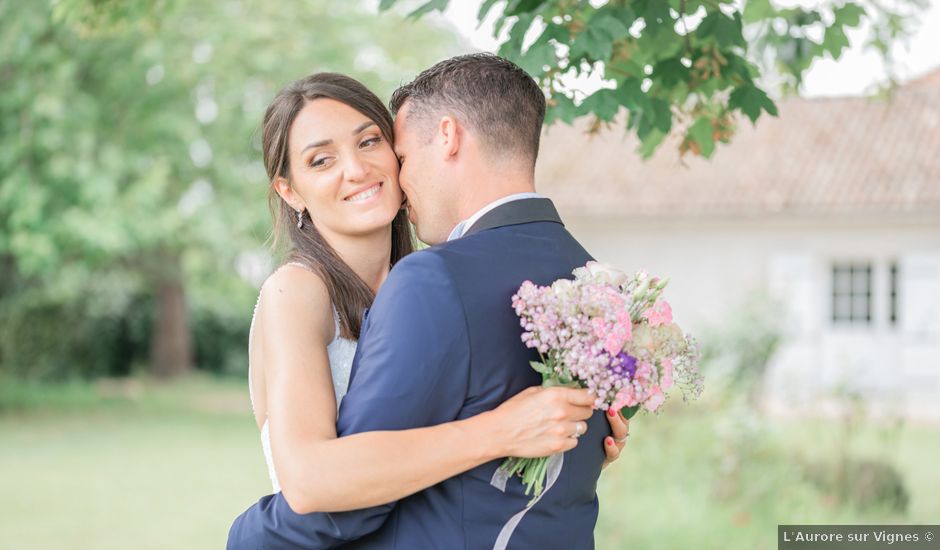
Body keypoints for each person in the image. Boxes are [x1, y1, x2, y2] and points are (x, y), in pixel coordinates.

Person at [229, 55, 628, 550]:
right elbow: (311, 482)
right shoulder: (297, 291)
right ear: (290, 192)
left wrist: (571, 443)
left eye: (370, 141)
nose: (356, 169)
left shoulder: (439, 281)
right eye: (321, 160)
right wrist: (502, 432)